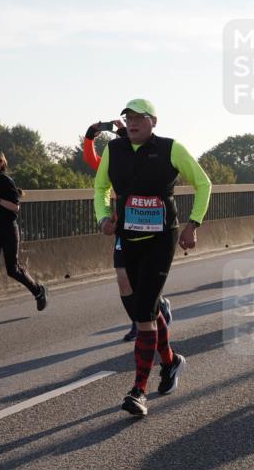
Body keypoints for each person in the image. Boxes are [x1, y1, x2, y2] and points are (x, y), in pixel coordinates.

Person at [93, 99, 211, 417]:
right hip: (127, 236)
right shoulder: (113, 151)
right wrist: (103, 217)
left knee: (143, 313)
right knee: (138, 306)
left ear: (153, 122)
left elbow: (203, 183)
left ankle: (138, 390)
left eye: (138, 118)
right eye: (128, 118)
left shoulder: (172, 149)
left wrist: (193, 224)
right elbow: (101, 186)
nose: (131, 123)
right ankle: (171, 362)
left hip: (161, 238)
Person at [85, 120, 172, 342]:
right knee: (123, 278)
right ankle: (139, 320)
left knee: (143, 278)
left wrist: (122, 130)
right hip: (125, 226)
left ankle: (155, 308)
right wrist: (90, 137)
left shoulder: (152, 155)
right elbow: (92, 162)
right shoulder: (115, 156)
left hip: (155, 230)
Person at [0, 150, 47, 325]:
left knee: (12, 269)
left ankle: (38, 291)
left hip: (8, 229)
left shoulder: (6, 181)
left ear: (0, 163)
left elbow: (15, 207)